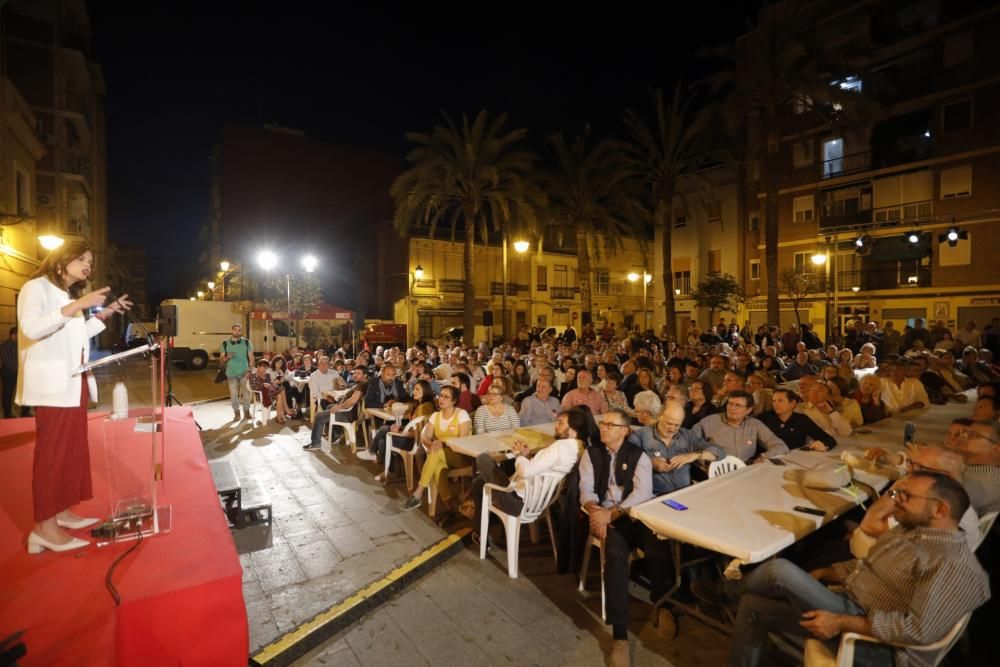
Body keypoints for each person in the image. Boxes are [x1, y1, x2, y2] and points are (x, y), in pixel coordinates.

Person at [701, 472, 989, 667]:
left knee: (779, 570)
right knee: (753, 605)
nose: (895, 501)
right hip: (849, 604)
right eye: (896, 493)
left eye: (905, 496)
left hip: (877, 646)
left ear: (940, 510)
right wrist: (824, 574)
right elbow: (866, 567)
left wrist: (842, 623)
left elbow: (918, 631)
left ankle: (726, 590)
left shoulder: (953, 563)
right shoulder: (911, 531)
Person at [17, 241, 131, 554]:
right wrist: (76, 306)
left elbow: (77, 336)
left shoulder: (66, 297)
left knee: (72, 450)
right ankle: (44, 528)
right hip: (53, 384)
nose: (88, 265)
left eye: (91, 261)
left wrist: (105, 313)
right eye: (82, 259)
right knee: (53, 453)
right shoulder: (35, 288)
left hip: (74, 379)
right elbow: (30, 328)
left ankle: (61, 510)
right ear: (61, 259)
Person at [578, 408, 670, 667]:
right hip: (604, 513)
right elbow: (585, 488)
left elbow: (643, 492)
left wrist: (613, 513)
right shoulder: (592, 452)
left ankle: (663, 603)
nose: (603, 428)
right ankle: (620, 637)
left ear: (624, 430)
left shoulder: (637, 454)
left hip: (633, 514)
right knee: (615, 556)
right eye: (603, 423)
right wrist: (597, 512)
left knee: (659, 545)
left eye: (610, 424)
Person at [470, 409, 582, 546]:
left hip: (516, 502)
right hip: (538, 502)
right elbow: (539, 469)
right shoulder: (576, 448)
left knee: (483, 458)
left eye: (561, 423)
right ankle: (483, 529)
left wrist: (519, 455)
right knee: (479, 483)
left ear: (573, 429)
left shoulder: (559, 447)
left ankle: (483, 533)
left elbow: (526, 472)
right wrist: (526, 456)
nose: (556, 425)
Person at [399, 385, 472, 515]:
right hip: (440, 454)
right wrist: (432, 444)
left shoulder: (461, 414)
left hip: (461, 455)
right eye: (440, 395)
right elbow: (425, 437)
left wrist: (442, 440)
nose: (441, 399)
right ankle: (449, 507)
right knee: (437, 466)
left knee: (435, 453)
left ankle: (419, 493)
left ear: (454, 401)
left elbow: (462, 440)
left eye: (446, 397)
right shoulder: (435, 416)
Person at [634, 401, 725, 494]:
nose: (672, 429)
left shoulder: (687, 435)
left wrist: (694, 455)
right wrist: (650, 463)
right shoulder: (641, 435)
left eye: (677, 425)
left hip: (686, 492)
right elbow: (625, 460)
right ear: (659, 416)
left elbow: (720, 453)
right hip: (655, 495)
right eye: (669, 423)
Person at [691, 390, 788, 462]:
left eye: (738, 405)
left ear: (749, 410)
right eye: (730, 404)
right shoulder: (711, 421)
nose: (732, 408)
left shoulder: (754, 424)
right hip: (716, 472)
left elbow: (780, 446)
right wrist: (701, 458)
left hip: (745, 471)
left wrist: (763, 457)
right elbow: (689, 441)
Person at [364, 379, 437, 469]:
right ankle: (387, 468)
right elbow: (415, 428)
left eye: (417, 389)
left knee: (383, 437)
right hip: (416, 440)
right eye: (414, 389)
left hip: (415, 442)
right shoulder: (426, 405)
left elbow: (416, 433)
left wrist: (400, 432)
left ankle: (374, 455)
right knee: (383, 434)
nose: (414, 391)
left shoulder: (423, 408)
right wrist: (401, 428)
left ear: (425, 390)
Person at [303, 367, 368, 450]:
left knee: (319, 416)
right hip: (351, 412)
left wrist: (340, 407)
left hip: (348, 414)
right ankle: (335, 434)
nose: (354, 375)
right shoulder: (362, 384)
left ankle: (315, 443)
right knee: (329, 406)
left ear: (365, 375)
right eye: (354, 373)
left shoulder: (362, 385)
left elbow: (352, 401)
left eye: (358, 373)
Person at [759, 389, 837, 452]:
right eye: (774, 401)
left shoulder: (801, 420)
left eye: (780, 400)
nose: (775, 404)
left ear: (792, 403)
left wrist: (823, 445)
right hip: (768, 459)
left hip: (796, 458)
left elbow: (829, 439)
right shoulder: (765, 418)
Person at [220, 323, 254, 421]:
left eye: (239, 330)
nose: (237, 332)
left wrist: (249, 371)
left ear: (241, 331)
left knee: (247, 393)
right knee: (234, 394)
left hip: (244, 372)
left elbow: (251, 358)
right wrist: (227, 357)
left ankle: (246, 411)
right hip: (231, 373)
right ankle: (236, 412)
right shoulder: (225, 343)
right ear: (232, 330)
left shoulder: (246, 342)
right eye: (235, 330)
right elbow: (221, 360)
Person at [1, 326, 29, 418]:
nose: (19, 337)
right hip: (9, 373)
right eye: (18, 335)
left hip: (18, 371)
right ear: (13, 335)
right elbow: (8, 362)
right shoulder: (5, 345)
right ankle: (7, 413)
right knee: (8, 393)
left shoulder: (18, 344)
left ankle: (25, 412)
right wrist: (20, 369)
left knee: (24, 391)